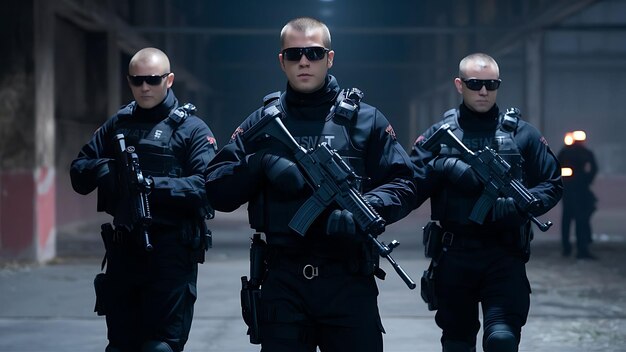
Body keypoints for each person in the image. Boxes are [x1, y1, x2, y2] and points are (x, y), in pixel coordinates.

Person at [204, 17, 418, 352]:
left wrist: (368, 208)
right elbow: (216, 189)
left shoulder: (365, 119)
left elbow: (404, 182)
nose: (304, 61)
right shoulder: (262, 124)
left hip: (348, 278)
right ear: (282, 61)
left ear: (329, 59)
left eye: (314, 53)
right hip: (283, 279)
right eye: (294, 54)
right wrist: (259, 163)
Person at [410, 53, 562, 352]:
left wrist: (523, 206)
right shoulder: (439, 136)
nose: (483, 91)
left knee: (503, 339)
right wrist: (443, 167)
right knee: (456, 343)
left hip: (504, 253)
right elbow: (410, 187)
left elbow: (552, 183)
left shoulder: (522, 134)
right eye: (475, 84)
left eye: (491, 85)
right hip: (454, 252)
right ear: (459, 84)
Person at [70, 47, 217, 352]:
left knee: (160, 346)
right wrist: (106, 169)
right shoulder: (118, 125)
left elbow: (206, 187)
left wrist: (149, 185)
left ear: (170, 80)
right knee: (121, 345)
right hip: (125, 250)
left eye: (152, 79)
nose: (145, 87)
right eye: (137, 81)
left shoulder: (191, 130)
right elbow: (78, 172)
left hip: (171, 252)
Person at [557, 131, 598, 259]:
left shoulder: (567, 152)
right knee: (576, 219)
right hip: (575, 189)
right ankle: (577, 248)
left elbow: (594, 168)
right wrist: (586, 179)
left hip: (574, 190)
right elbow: (594, 168)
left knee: (572, 219)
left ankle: (574, 248)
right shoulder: (578, 152)